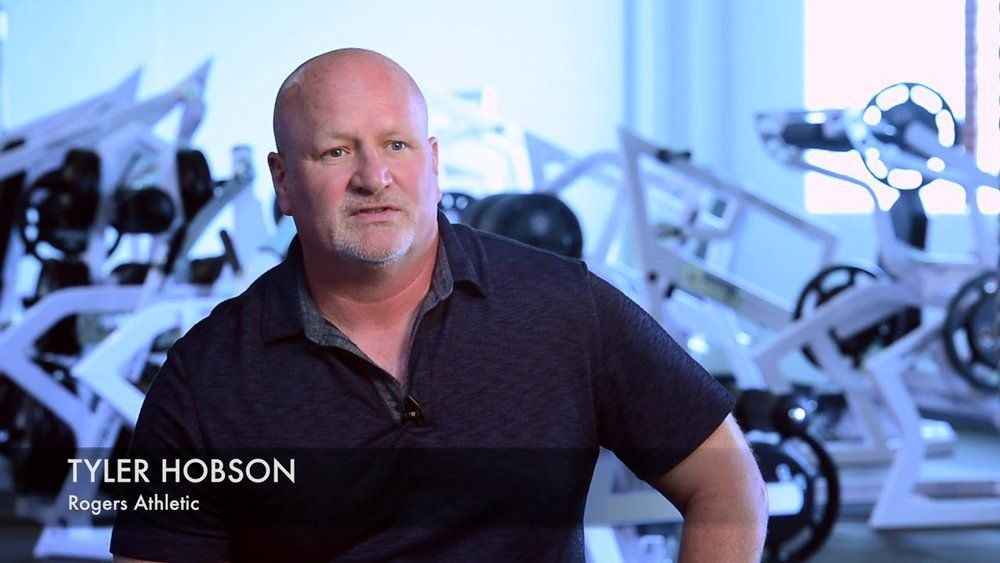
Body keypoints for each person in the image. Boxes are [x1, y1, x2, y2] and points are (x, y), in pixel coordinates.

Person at [111, 48, 767, 562]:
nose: (374, 176)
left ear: (432, 161)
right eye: (337, 151)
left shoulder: (566, 308)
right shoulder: (204, 377)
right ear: (284, 180)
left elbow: (728, 484)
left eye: (395, 144)